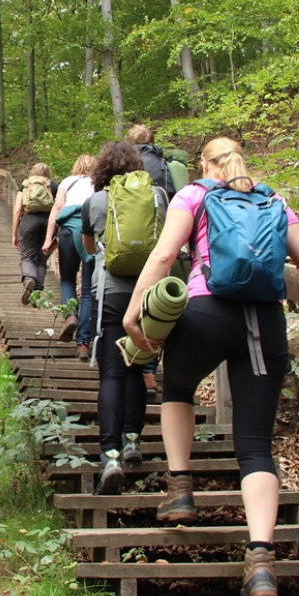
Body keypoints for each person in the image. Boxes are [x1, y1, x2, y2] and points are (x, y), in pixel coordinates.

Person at [122, 137, 299, 596]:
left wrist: (134, 315)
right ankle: (260, 563)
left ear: (203, 164)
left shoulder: (194, 194)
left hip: (206, 312)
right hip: (264, 322)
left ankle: (181, 490)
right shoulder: (274, 199)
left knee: (177, 385)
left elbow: (162, 255)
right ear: (240, 162)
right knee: (255, 446)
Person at [80, 142, 168, 495]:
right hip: (150, 296)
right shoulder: (158, 196)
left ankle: (110, 455)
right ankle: (133, 440)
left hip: (112, 295)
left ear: (101, 169)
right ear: (136, 165)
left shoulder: (95, 202)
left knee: (113, 373)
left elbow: (88, 249)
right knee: (139, 364)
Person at [125, 123, 176, 395]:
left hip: (127, 239)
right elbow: (176, 200)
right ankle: (149, 370)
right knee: (154, 305)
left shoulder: (125, 163)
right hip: (159, 239)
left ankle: (124, 359)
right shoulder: (163, 165)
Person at [42, 154, 97, 360]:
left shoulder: (67, 182)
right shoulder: (99, 184)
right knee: (88, 290)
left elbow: (57, 209)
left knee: (67, 279)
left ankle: (70, 315)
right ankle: (83, 344)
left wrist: (48, 238)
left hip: (67, 232)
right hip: (91, 234)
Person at [12, 162, 56, 305]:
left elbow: (17, 210)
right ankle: (36, 293)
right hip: (49, 223)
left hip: (29, 221)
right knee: (42, 259)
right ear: (48, 174)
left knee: (27, 256)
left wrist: (14, 234)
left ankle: (29, 278)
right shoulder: (54, 186)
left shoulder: (25, 185)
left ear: (33, 172)